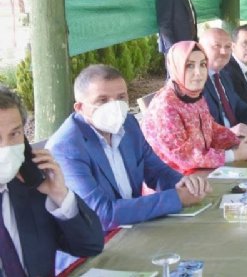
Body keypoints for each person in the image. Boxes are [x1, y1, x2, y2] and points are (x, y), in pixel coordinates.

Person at [48, 65, 212, 271]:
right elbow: (101, 215)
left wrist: (184, 182)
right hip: (92, 253)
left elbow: (156, 170)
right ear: (80, 108)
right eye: (102, 100)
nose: (114, 106)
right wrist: (177, 198)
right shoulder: (66, 147)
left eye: (121, 98)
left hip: (135, 228)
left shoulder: (129, 123)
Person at [0, 86, 103, 276]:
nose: (6, 147)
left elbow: (91, 246)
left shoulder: (32, 185)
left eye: (14, 134)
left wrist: (60, 195)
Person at [142, 41, 247, 174]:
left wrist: (239, 142)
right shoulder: (165, 106)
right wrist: (233, 155)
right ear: (176, 67)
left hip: (204, 171)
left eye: (203, 65)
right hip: (178, 183)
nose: (198, 72)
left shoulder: (194, 95)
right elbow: (184, 156)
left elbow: (211, 128)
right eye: (190, 66)